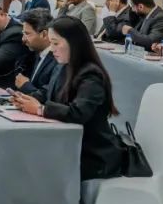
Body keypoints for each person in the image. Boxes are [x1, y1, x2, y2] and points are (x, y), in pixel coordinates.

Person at [12, 16, 124, 181]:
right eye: (51, 43)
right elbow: (48, 92)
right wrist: (24, 99)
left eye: (56, 43)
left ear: (74, 43)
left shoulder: (91, 75)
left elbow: (78, 113)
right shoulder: (63, 66)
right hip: (68, 145)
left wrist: (40, 109)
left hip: (91, 154)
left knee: (31, 167)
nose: (52, 49)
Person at [14, 9, 60, 97]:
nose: (23, 39)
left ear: (44, 35)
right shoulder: (36, 53)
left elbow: (48, 97)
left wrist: (25, 86)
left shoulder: (57, 59)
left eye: (27, 34)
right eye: (23, 33)